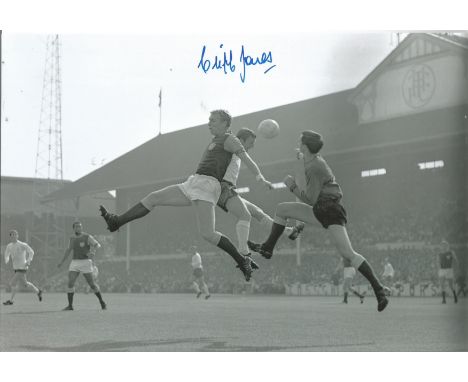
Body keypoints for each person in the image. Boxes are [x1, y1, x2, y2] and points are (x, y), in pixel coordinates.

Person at [99, 110, 273, 281]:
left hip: (208, 185)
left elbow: (248, 160)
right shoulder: (216, 139)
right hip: (193, 181)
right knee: (153, 198)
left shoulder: (231, 139)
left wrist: (261, 178)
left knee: (208, 234)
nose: (209, 123)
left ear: (225, 123)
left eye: (213, 120)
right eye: (209, 119)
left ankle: (242, 261)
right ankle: (116, 222)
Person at [248, 131, 390, 311]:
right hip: (323, 209)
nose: (297, 142)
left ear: (305, 146)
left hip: (329, 209)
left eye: (300, 141)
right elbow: (307, 189)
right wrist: (299, 163)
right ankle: (267, 248)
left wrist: (291, 186)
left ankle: (379, 290)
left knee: (348, 253)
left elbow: (310, 199)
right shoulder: (311, 161)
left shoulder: (315, 166)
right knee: (281, 209)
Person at [217, 127, 305, 249]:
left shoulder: (236, 153)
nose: (252, 146)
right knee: (245, 215)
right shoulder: (232, 148)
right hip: (221, 188)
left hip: (227, 189)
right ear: (241, 140)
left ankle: (288, 232)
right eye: (250, 143)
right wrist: (261, 179)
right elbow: (249, 162)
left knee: (257, 212)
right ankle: (243, 251)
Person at [58, 221, 107, 310]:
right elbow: (68, 250)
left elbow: (97, 245)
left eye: (80, 227)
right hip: (75, 262)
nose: (79, 228)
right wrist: (62, 262)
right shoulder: (72, 238)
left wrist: (92, 252)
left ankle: (102, 302)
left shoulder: (87, 237)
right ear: (73, 228)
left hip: (86, 262)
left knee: (92, 284)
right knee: (70, 283)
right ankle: (70, 305)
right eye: (77, 227)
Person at [3, 230, 42, 306]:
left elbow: (31, 252)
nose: (14, 236)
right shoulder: (9, 246)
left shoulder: (22, 244)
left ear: (17, 236)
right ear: (10, 237)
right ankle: (38, 291)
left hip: (23, 267)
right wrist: (6, 260)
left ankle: (11, 300)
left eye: (15, 235)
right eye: (12, 235)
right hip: (16, 267)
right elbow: (6, 254)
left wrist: (28, 261)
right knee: (25, 284)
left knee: (12, 283)